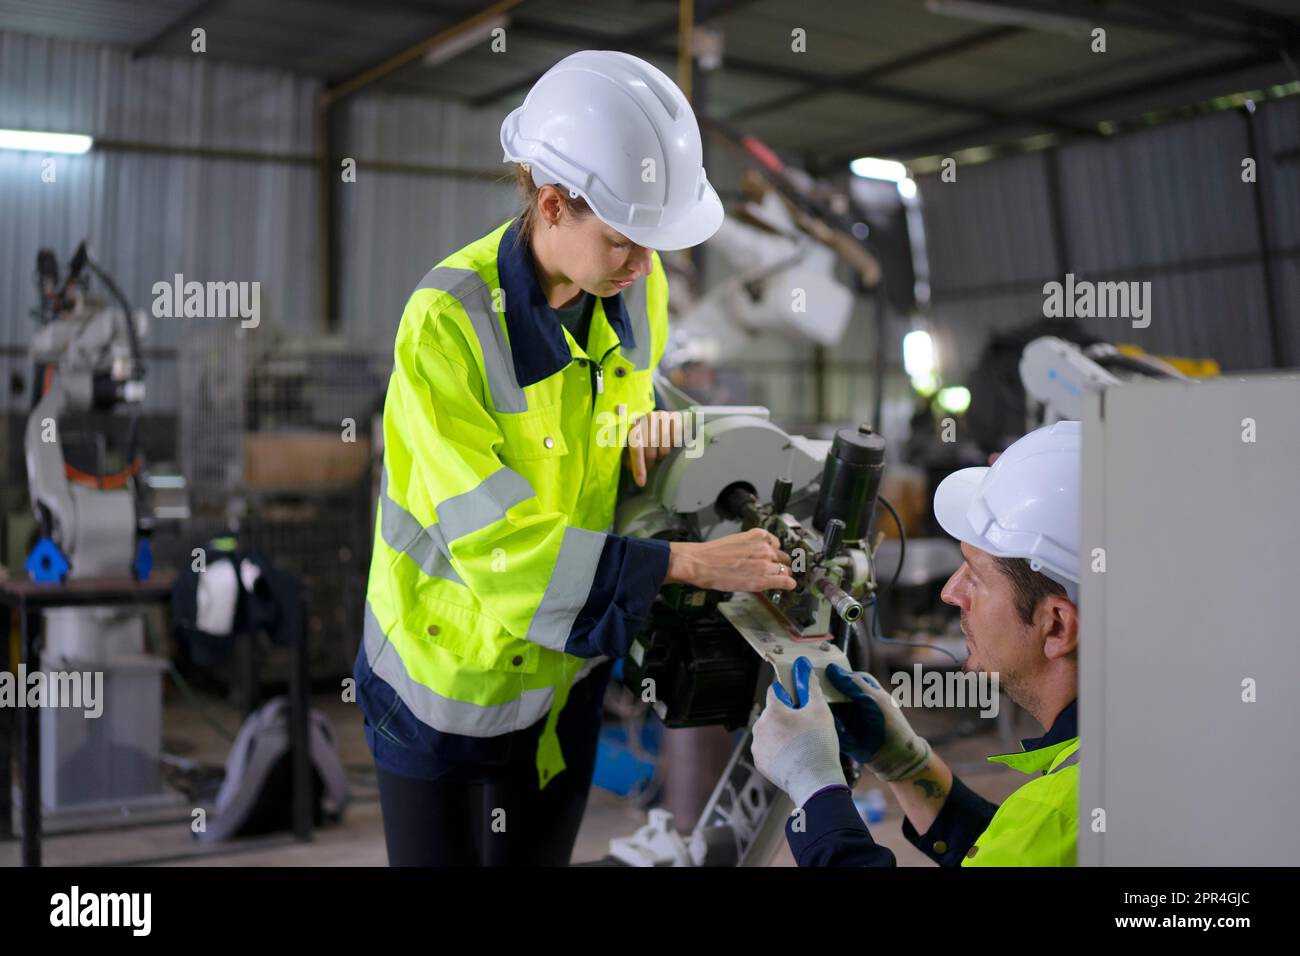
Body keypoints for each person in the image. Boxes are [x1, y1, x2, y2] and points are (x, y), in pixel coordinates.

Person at [354, 49, 798, 866]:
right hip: (442, 689)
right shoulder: (447, 325)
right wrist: (688, 564)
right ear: (552, 204)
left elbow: (626, 391)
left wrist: (652, 420)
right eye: (628, 242)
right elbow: (500, 545)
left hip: (561, 690)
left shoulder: (635, 284)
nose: (643, 267)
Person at [752, 421, 1082, 866]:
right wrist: (908, 765)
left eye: (976, 577)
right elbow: (1005, 850)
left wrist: (817, 793)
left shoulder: (1059, 814)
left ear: (1057, 626)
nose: (951, 592)